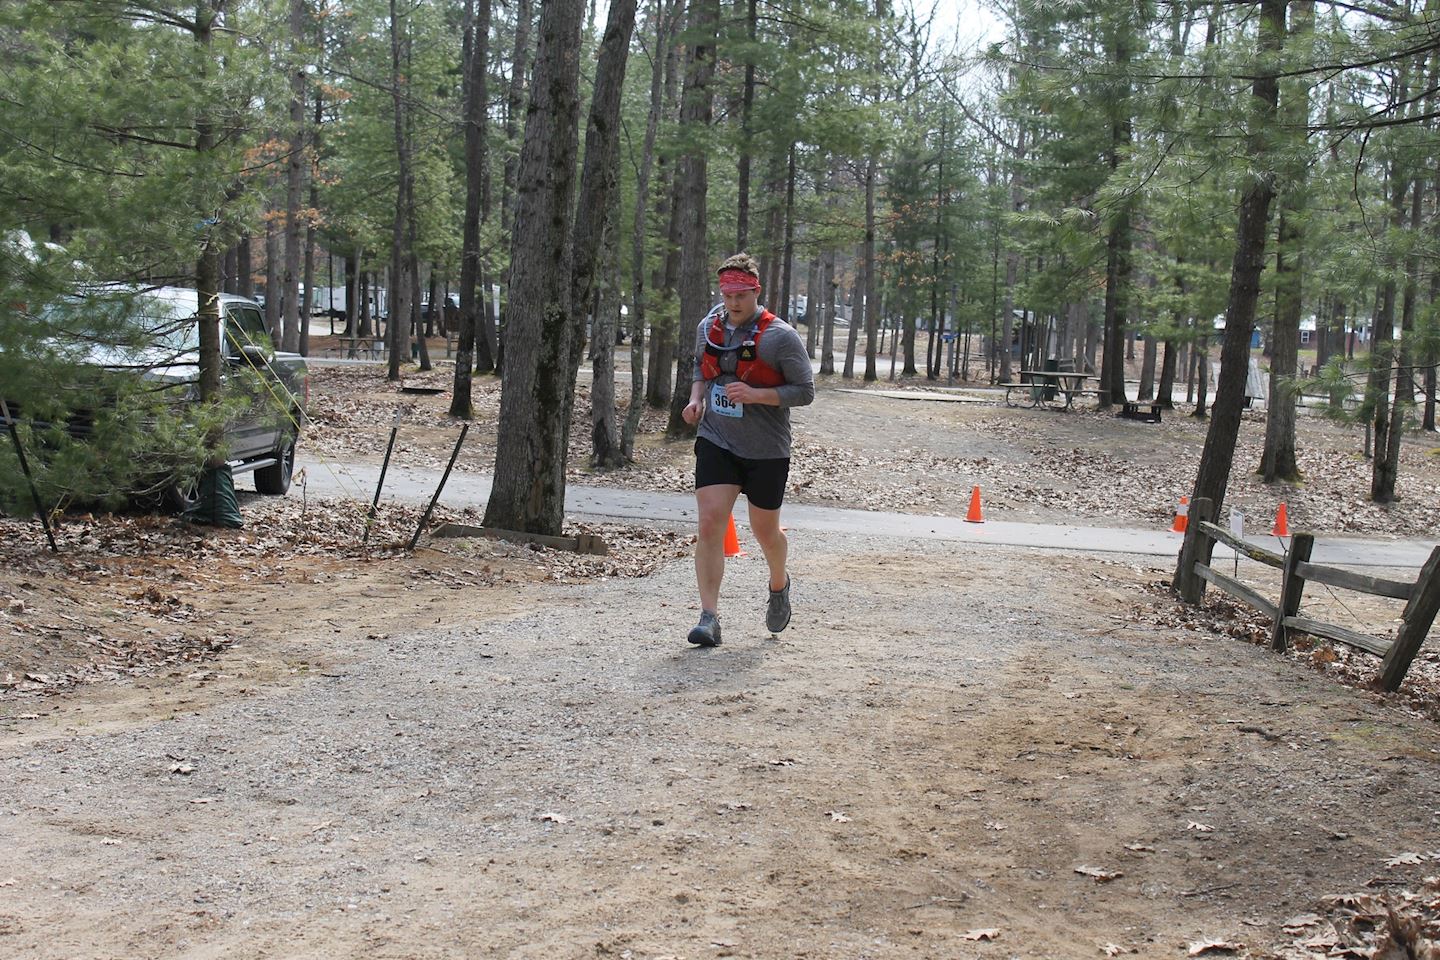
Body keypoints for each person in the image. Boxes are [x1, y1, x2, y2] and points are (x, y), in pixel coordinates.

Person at [681, 253, 815, 647]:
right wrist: (695, 399)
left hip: (766, 449)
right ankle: (709, 617)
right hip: (716, 438)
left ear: (756, 292)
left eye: (741, 294)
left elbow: (805, 392)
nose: (733, 302)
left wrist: (757, 394)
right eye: (727, 294)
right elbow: (699, 368)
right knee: (709, 523)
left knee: (765, 531)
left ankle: (778, 583)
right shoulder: (709, 327)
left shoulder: (780, 337)